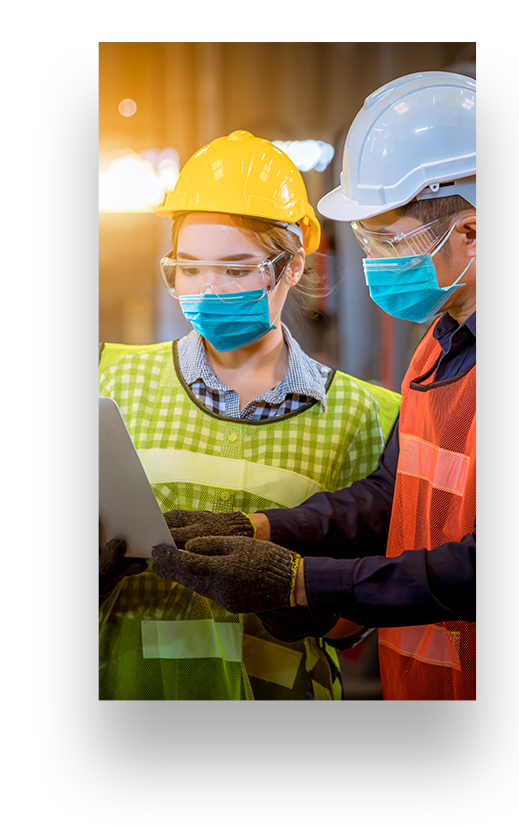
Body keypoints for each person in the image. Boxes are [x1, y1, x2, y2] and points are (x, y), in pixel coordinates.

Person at [151, 72, 477, 702]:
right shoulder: (437, 348)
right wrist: (262, 529)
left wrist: (303, 583)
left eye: (390, 239)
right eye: (366, 240)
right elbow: (392, 493)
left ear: (469, 232)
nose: (376, 260)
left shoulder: (373, 398)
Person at [98, 130, 401, 701]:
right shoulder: (109, 379)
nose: (208, 290)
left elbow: (365, 606)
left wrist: (298, 606)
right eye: (189, 269)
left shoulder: (369, 417)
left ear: (291, 267)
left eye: (236, 271)